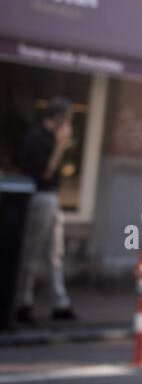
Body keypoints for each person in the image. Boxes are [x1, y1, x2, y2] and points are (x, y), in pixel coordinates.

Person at [15, 97, 77, 324]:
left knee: (55, 254)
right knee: (31, 254)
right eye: (67, 119)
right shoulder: (36, 139)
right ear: (59, 118)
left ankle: (60, 303)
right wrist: (60, 147)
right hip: (40, 198)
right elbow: (45, 174)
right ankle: (23, 303)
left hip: (52, 199)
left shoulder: (50, 137)